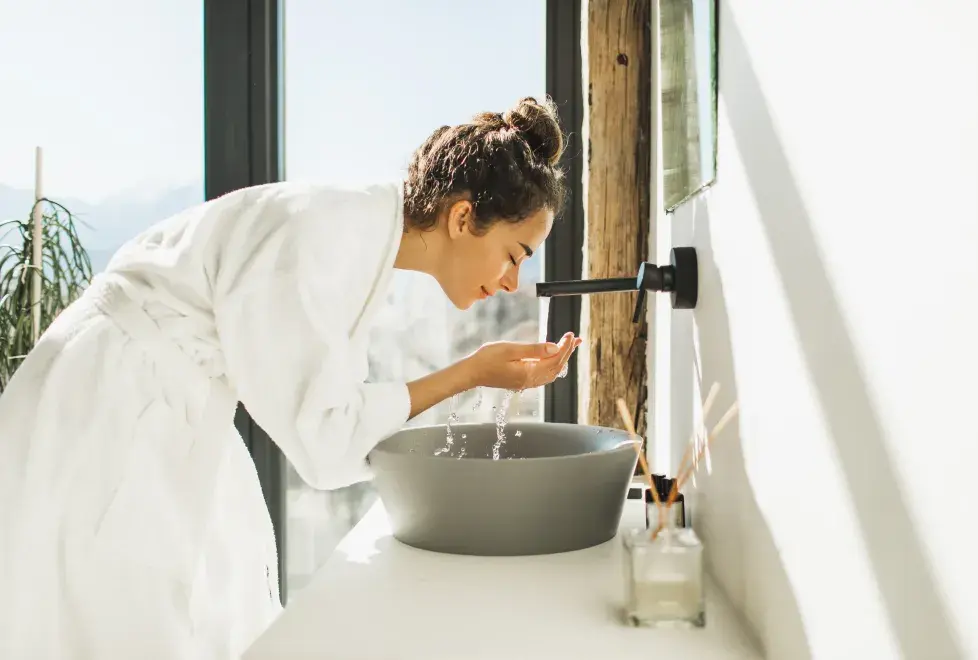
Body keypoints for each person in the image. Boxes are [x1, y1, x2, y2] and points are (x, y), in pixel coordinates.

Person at [0, 96, 581, 659]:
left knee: (199, 604)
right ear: (462, 217)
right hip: (112, 400)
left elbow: (334, 417)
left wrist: (472, 371)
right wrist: (471, 372)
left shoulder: (359, 239)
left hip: (163, 395)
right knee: (114, 615)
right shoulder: (324, 235)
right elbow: (326, 442)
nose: (513, 281)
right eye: (516, 253)